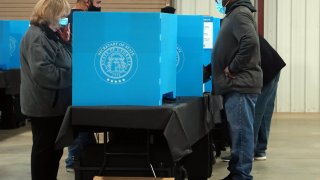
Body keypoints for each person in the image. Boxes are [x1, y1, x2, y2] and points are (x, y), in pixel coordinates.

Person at [210, 0, 263, 179]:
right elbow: (228, 50)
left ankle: (241, 175)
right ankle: (236, 173)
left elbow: (250, 42)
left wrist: (233, 68)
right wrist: (210, 70)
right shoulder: (233, 15)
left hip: (240, 85)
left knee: (241, 133)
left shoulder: (239, 13)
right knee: (237, 133)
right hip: (234, 86)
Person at [19, 0, 72, 179]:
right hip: (44, 106)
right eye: (63, 15)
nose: (66, 18)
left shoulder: (51, 34)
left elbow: (66, 60)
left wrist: (66, 42)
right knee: (44, 153)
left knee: (52, 153)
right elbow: (44, 74)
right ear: (52, 14)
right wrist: (74, 76)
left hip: (53, 105)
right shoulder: (37, 37)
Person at [64, 0, 102, 172]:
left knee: (83, 121)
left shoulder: (68, 17)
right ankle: (73, 159)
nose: (100, 4)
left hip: (79, 77)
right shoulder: (82, 19)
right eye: (98, 1)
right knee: (81, 120)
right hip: (80, 77)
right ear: (87, 1)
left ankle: (82, 157)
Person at [253, 35, 286, 161]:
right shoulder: (237, 24)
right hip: (273, 65)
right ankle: (260, 150)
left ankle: (248, 152)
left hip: (267, 69)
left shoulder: (227, 29)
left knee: (256, 111)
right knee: (264, 112)